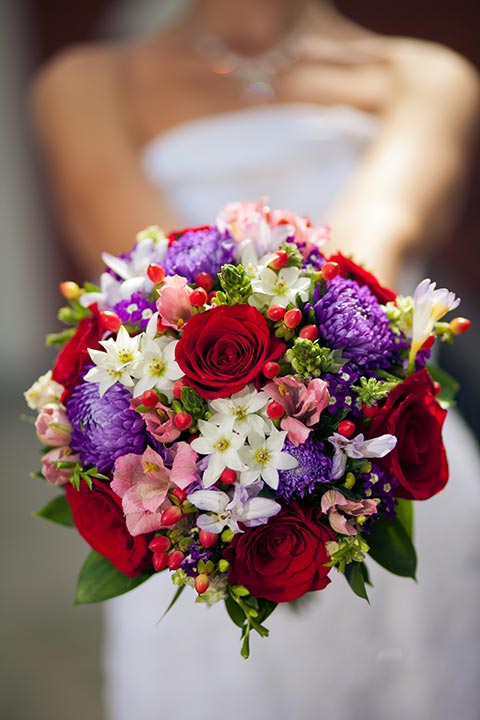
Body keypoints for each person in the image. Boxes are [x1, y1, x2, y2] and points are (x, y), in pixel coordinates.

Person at [31, 1, 480, 719]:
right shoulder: (85, 82)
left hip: (377, 472)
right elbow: (150, 283)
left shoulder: (424, 75)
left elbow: (372, 255)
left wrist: (315, 402)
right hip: (196, 499)